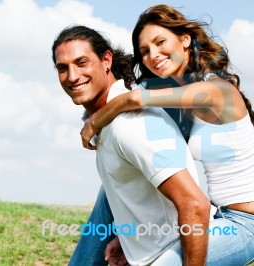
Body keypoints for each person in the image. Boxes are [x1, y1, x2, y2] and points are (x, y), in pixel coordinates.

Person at [80, 4, 254, 265]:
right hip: (219, 216)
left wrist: (93, 124)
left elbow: (136, 98)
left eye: (160, 42)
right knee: (109, 191)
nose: (153, 55)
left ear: (185, 39)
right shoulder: (186, 104)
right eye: (145, 51)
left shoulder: (217, 91)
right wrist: (126, 236)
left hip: (246, 225)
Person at [52, 25, 211, 266]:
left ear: (106, 60)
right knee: (109, 192)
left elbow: (195, 204)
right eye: (63, 68)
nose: (72, 76)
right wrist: (125, 239)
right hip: (147, 252)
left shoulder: (131, 124)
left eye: (81, 62)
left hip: (175, 252)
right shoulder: (108, 121)